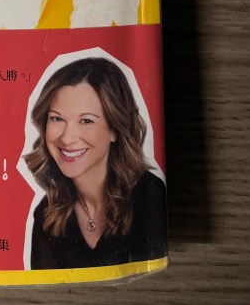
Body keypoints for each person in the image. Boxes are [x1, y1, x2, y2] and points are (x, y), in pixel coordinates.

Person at [25, 56, 167, 270]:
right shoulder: (47, 214)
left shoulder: (149, 195)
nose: (67, 138)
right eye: (57, 118)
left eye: (86, 120)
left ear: (114, 129)